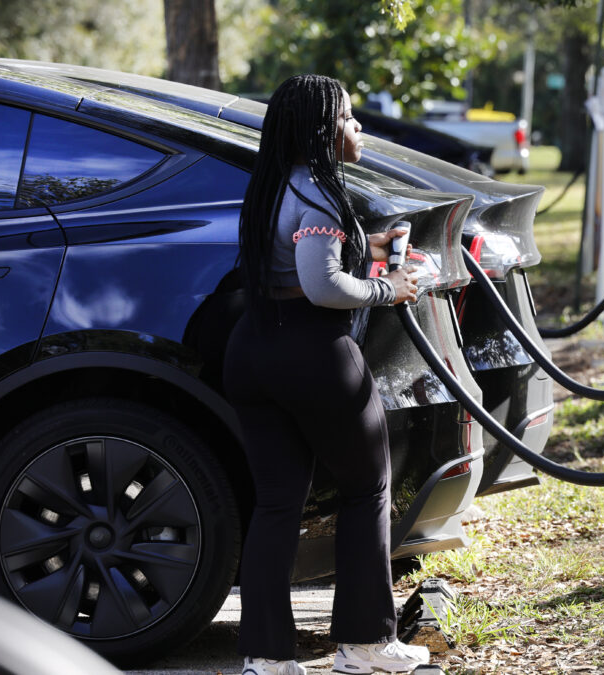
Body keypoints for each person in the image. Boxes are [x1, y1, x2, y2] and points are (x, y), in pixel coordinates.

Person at [223, 74, 429, 675]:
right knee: (367, 489)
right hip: (313, 355)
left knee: (277, 503)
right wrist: (387, 287)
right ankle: (365, 645)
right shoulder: (317, 193)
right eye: (348, 117)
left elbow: (302, 256)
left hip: (253, 351)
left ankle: (265, 657)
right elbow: (321, 285)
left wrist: (368, 243)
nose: (357, 127)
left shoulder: (271, 187)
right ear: (321, 129)